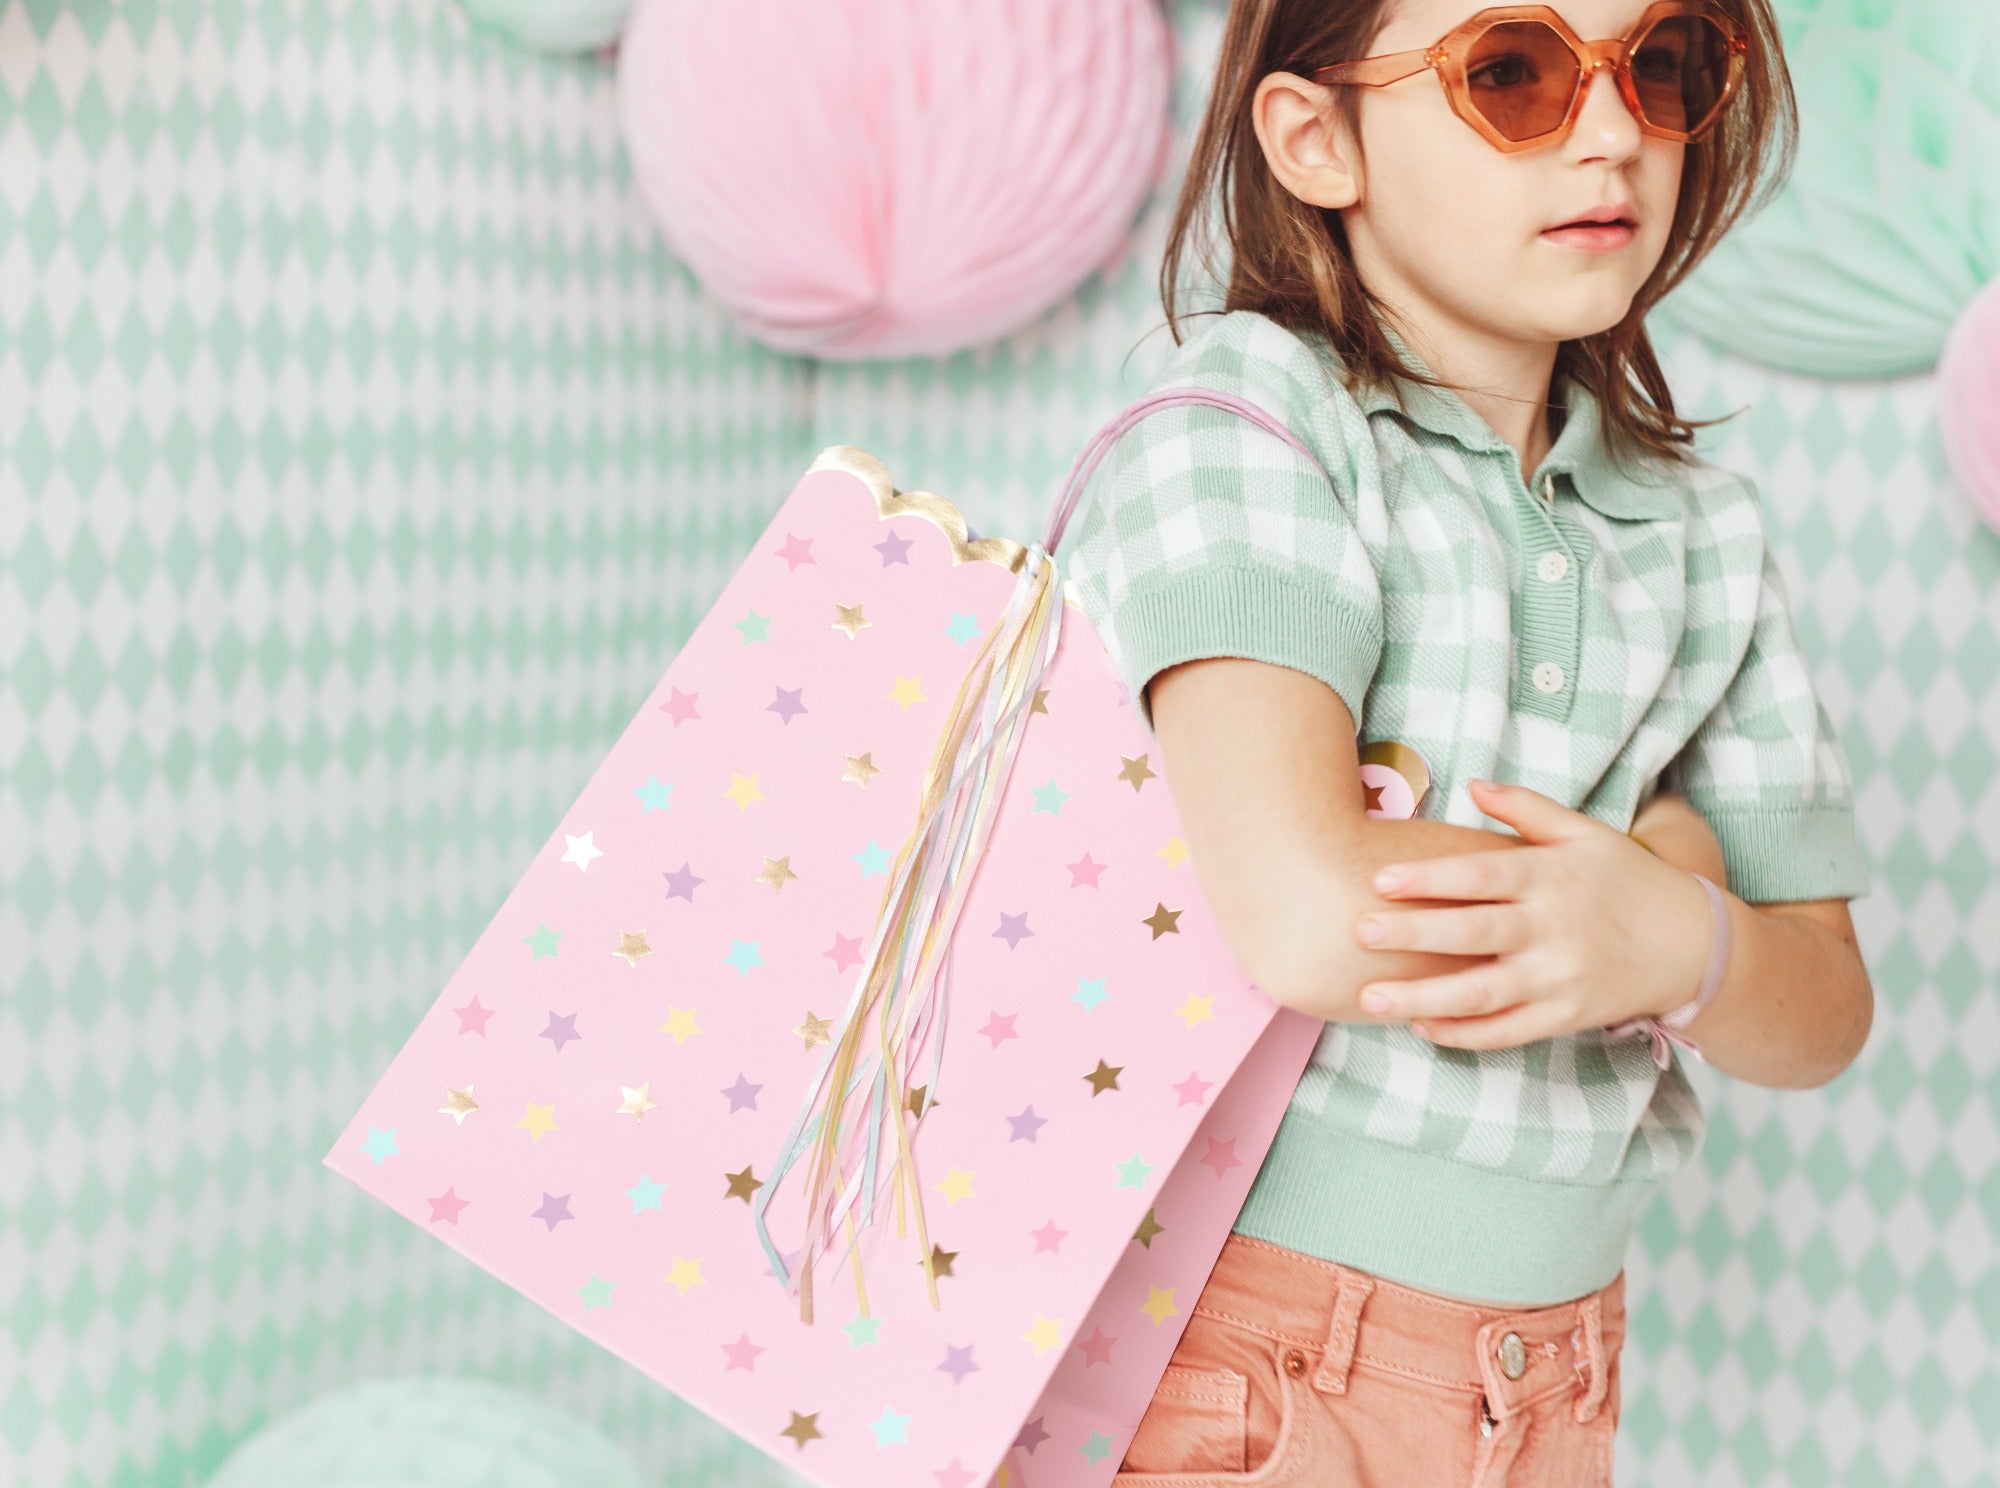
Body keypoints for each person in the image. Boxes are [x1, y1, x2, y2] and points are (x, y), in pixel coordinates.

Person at [1058, 1, 1875, 1482]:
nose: (1616, 128)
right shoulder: (1247, 422)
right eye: (1516, 73)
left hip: (1560, 1364)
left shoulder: (1703, 532)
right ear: (1318, 139)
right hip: (1250, 1345)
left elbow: (1821, 1006)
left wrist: (1682, 943)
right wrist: (1646, 885)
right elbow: (1306, 914)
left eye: (1662, 63)